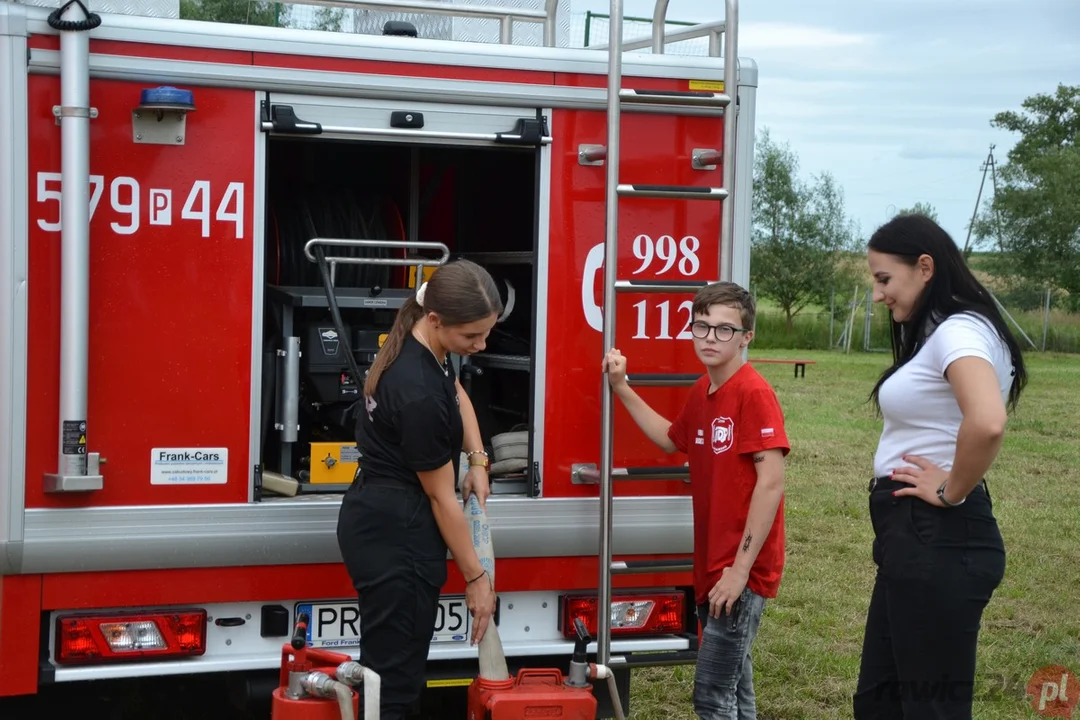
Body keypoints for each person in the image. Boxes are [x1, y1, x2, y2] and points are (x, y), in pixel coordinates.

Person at [853, 213, 1027, 719]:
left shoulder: (959, 331)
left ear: (924, 267)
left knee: (929, 711)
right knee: (881, 704)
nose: (877, 294)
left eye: (884, 278)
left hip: (938, 536)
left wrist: (951, 490)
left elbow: (988, 421)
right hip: (914, 540)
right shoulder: (943, 333)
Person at [603, 281, 789, 719]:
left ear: (747, 337)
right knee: (736, 692)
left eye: (725, 330)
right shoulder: (702, 392)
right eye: (701, 326)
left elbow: (771, 484)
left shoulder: (753, 393)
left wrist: (739, 571)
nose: (710, 338)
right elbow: (671, 441)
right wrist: (621, 385)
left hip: (738, 573)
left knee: (712, 697)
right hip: (713, 566)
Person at [336, 259, 501, 720]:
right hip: (398, 534)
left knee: (392, 671)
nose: (480, 345)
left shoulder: (418, 340)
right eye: (472, 336)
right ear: (437, 320)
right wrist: (476, 579)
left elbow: (457, 393)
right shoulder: (416, 391)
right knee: (395, 687)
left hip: (379, 516)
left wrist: (477, 458)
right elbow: (441, 497)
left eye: (486, 333)